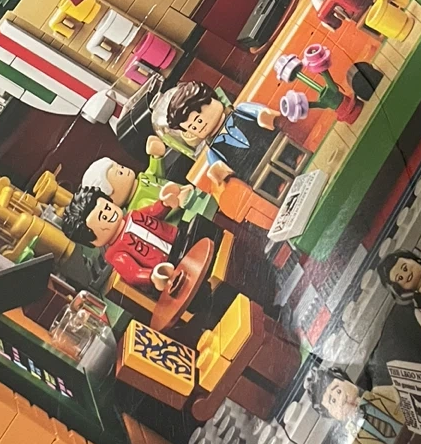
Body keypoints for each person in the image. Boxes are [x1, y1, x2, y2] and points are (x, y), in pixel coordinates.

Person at [60, 182, 212, 292]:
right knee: (193, 286)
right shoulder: (116, 254)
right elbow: (134, 273)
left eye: (107, 207)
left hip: (180, 238)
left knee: (202, 227)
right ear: (92, 239)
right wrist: (152, 276)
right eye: (102, 217)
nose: (108, 214)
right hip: (169, 266)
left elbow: (153, 212)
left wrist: (165, 203)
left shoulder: (133, 215)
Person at [158, 80, 284, 185]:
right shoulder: (212, 151)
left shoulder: (240, 110)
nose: (200, 126)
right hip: (256, 175)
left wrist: (263, 115)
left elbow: (259, 111)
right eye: (193, 127)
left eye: (199, 120)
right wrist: (219, 171)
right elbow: (217, 168)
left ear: (211, 100)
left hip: (277, 146)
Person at [307, 365, 405, 444]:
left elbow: (397, 392)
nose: (342, 399)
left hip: (409, 424)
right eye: (333, 401)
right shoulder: (352, 436)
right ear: (331, 415)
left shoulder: (375, 394)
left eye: (339, 391)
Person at [80, 135, 216, 219]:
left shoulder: (142, 178)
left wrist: (156, 157)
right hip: (184, 213)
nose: (124, 169)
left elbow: (155, 173)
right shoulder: (137, 208)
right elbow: (159, 212)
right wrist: (173, 202)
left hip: (189, 194)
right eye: (119, 173)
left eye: (120, 167)